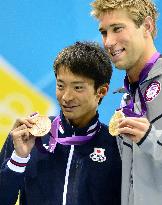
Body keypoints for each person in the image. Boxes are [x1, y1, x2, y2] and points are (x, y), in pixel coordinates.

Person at [0, 41, 121, 205]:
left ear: (101, 91)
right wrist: (19, 159)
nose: (66, 97)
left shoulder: (116, 146)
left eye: (78, 88)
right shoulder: (28, 136)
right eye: (60, 85)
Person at [91, 0, 162, 205]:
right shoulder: (127, 97)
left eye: (117, 29)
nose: (108, 42)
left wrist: (151, 138)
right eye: (104, 32)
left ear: (147, 26)